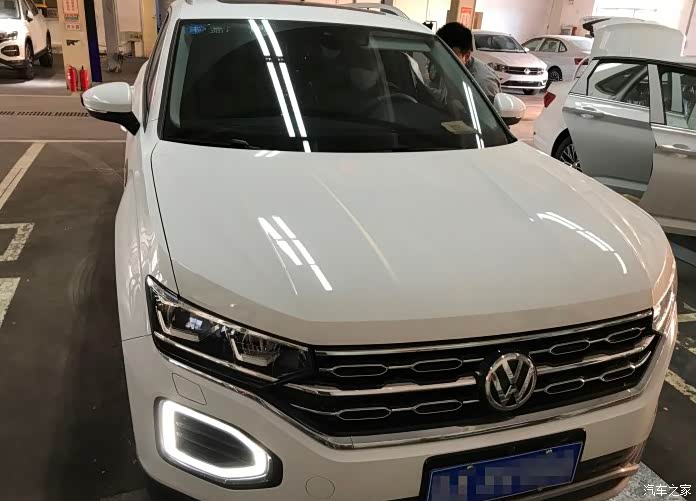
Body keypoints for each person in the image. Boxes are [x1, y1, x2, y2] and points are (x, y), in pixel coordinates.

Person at [436, 22, 501, 102]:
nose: (444, 60)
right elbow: (445, 99)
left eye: (451, 56)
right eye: (441, 54)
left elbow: (484, 110)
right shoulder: (452, 68)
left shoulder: (482, 83)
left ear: (466, 56)